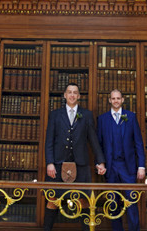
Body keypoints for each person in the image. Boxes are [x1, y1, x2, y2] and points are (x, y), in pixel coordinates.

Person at [43, 83, 106, 230]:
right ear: (65, 95)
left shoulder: (87, 114)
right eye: (69, 92)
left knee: (83, 200)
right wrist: (50, 163)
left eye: (75, 93)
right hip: (58, 165)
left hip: (81, 164)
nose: (72, 95)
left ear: (79, 96)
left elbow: (93, 140)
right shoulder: (55, 115)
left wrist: (100, 162)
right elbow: (49, 141)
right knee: (52, 200)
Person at [96, 89, 146, 231]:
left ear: (122, 100)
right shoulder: (102, 119)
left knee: (131, 202)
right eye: (113, 98)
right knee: (113, 203)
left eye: (118, 98)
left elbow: (138, 143)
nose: (116, 101)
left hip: (128, 167)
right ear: (110, 100)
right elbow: (98, 144)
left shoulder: (130, 117)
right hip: (111, 167)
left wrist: (141, 166)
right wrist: (99, 163)